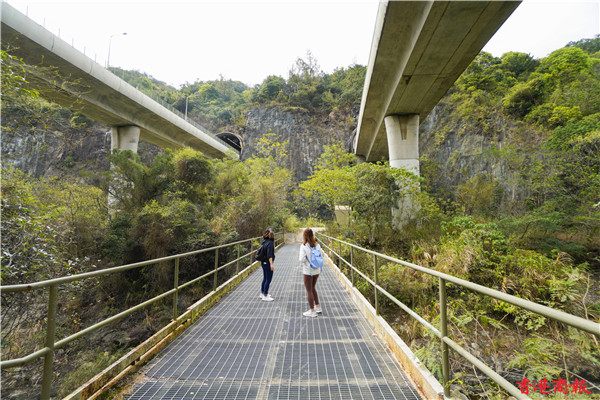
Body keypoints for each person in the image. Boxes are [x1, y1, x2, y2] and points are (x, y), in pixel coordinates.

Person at [298, 228, 322, 317]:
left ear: (304, 236)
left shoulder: (304, 246)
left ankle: (312, 311)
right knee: (313, 288)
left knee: (309, 290)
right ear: (312, 235)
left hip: (308, 271)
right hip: (317, 270)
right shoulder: (317, 245)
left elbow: (301, 259)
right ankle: (317, 307)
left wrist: (306, 261)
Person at [259, 228, 276, 301]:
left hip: (263, 262)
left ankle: (262, 293)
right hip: (268, 263)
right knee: (268, 279)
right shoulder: (270, 243)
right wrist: (271, 264)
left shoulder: (264, 241)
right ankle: (265, 296)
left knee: (265, 278)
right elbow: (270, 255)